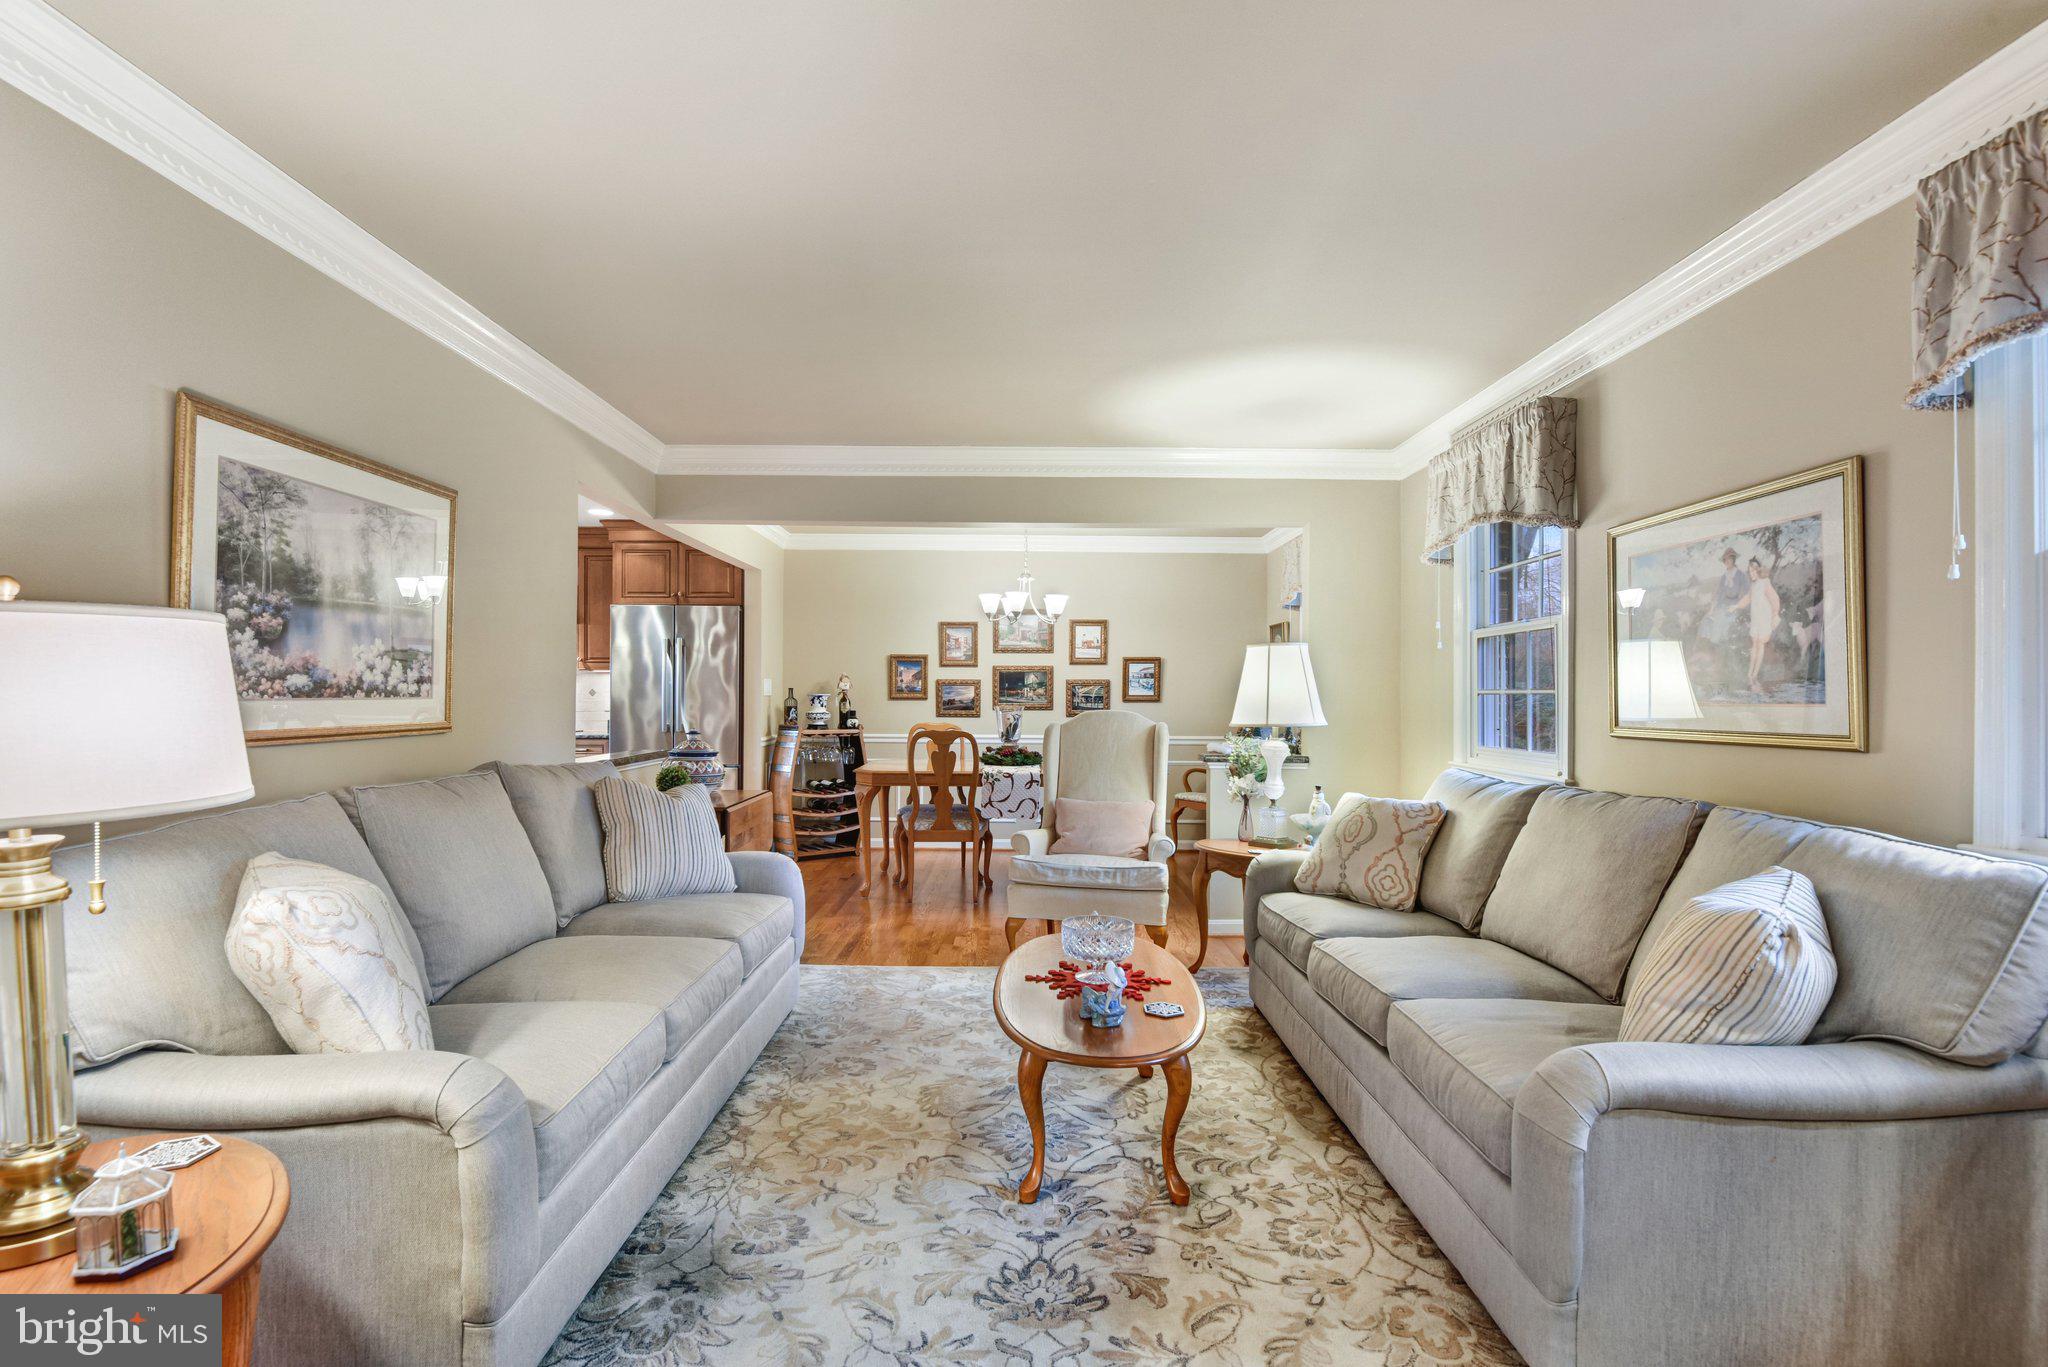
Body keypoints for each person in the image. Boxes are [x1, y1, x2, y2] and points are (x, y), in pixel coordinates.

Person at [1736, 557, 1781, 693]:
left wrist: (1775, 614)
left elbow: (1774, 599)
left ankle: (1754, 674)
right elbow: (1748, 598)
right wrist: (1736, 606)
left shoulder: (1765, 582)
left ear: (1759, 570)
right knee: (1754, 644)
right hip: (1756, 618)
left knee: (1760, 644)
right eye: (1750, 571)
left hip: (1764, 617)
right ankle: (1750, 673)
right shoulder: (1753, 585)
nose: (1752, 573)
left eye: (1754, 570)